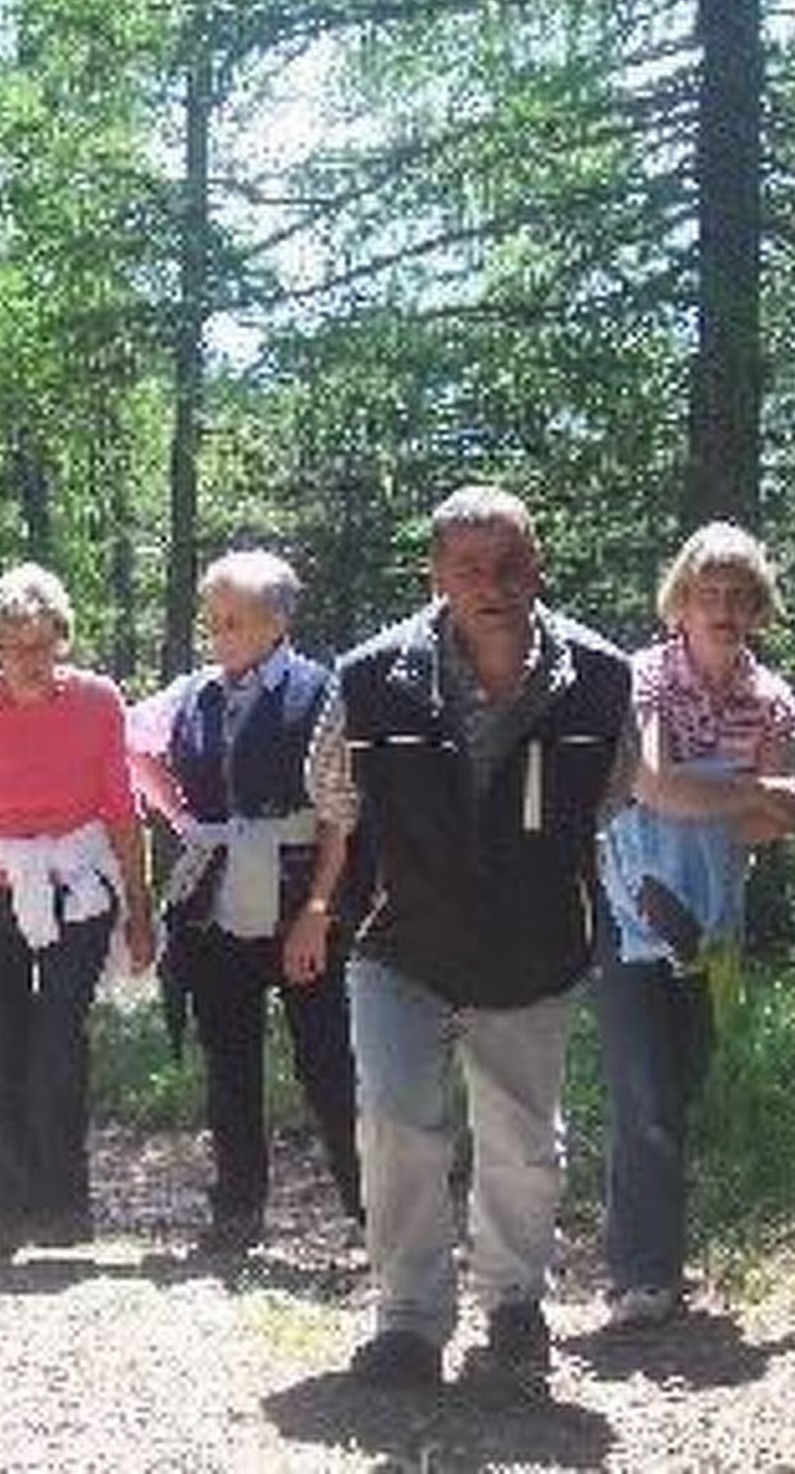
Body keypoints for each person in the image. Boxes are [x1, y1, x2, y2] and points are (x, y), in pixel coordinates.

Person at [305, 484, 637, 1389]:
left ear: (539, 566)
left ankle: (514, 1302)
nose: (491, 585)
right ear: (436, 576)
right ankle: (408, 1320)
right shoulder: (370, 677)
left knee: (524, 1140)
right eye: (468, 569)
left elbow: (612, 793)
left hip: (533, 946)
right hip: (401, 939)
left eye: (508, 565)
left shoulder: (603, 679)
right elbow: (333, 797)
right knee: (398, 1123)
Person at [597, 522, 795, 1328]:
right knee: (641, 1086)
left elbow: (771, 829)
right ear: (678, 603)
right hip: (630, 909)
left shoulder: (773, 698)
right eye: (706, 594)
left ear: (757, 607)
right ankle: (640, 1278)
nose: (721, 609)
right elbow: (653, 786)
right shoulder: (643, 678)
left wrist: (743, 804)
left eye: (736, 597)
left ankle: (659, 1260)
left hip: (714, 922)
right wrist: (754, 793)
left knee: (680, 1084)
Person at [0, 563, 154, 1261]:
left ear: (62, 639)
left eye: (43, 645)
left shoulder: (98, 702)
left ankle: (63, 1209)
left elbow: (121, 807)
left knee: (59, 1043)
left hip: (78, 888)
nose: (31, 661)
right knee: (0, 1052)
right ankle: (8, 1214)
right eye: (14, 647)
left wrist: (141, 911)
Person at [127, 549, 361, 1252]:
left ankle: (375, 1213)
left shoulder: (323, 692)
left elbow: (339, 815)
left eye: (233, 621)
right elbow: (131, 746)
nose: (219, 635)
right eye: (214, 621)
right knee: (228, 1061)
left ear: (276, 623)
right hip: (214, 904)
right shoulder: (192, 693)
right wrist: (182, 817)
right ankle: (236, 1212)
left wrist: (319, 911)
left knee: (329, 1064)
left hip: (299, 901)